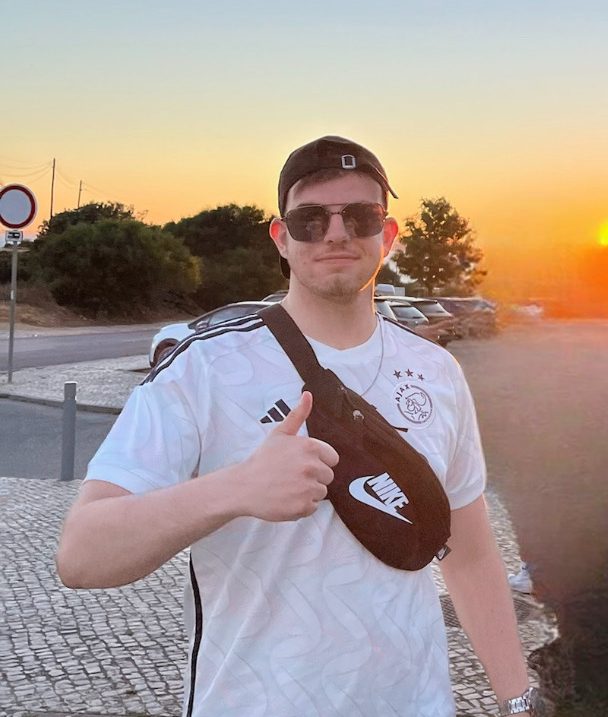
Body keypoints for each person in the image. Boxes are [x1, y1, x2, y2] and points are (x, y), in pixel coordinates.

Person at [57, 136, 542, 716]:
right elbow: (82, 554)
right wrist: (233, 489)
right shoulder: (203, 368)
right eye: (310, 219)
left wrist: (518, 699)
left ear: (387, 235)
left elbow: (469, 555)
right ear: (281, 238)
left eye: (360, 217)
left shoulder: (436, 372)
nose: (336, 234)